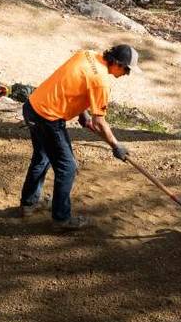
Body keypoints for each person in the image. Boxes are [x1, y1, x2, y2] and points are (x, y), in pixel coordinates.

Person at [19, 43, 136, 230]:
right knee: (68, 168)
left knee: (42, 157)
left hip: (32, 107)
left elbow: (72, 83)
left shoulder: (87, 54)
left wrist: (82, 114)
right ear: (118, 64)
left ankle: (29, 204)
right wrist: (116, 146)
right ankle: (61, 219)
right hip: (48, 119)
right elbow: (100, 122)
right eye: (127, 70)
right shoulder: (101, 82)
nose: (126, 75)